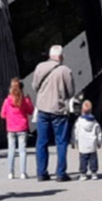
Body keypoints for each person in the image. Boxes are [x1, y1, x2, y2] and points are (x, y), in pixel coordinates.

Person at [32, 45, 76, 182]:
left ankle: (41, 172)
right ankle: (61, 173)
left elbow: (34, 86)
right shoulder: (65, 71)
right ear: (61, 56)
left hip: (43, 109)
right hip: (59, 110)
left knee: (42, 142)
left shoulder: (40, 67)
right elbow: (71, 92)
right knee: (61, 142)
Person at [0, 78, 34, 180]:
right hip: (22, 128)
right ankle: (23, 172)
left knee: (11, 150)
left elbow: (2, 114)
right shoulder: (24, 100)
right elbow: (30, 111)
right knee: (22, 150)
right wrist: (30, 101)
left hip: (11, 128)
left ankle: (10, 172)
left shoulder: (7, 100)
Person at [74, 100, 102, 180]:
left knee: (83, 159)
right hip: (92, 144)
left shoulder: (79, 122)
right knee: (93, 159)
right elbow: (99, 133)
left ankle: (83, 174)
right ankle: (94, 173)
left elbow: (76, 132)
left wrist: (75, 141)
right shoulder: (95, 122)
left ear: (81, 110)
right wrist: (99, 142)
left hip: (82, 144)